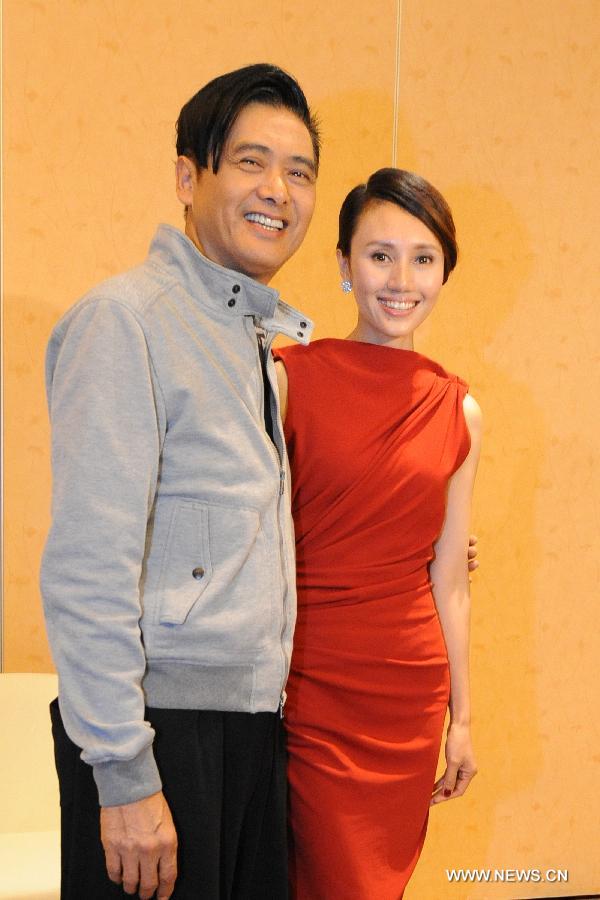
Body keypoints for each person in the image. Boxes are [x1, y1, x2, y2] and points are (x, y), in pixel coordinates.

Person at [40, 64, 320, 900]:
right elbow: (88, 567)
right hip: (161, 736)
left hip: (251, 729)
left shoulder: (255, 344)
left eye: (300, 172)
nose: (278, 189)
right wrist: (124, 773)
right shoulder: (126, 321)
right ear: (187, 175)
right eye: (250, 161)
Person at [274, 168, 482, 899]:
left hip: (407, 694)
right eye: (378, 254)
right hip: (307, 688)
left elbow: (449, 581)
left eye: (424, 257)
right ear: (342, 265)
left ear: (444, 272)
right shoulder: (287, 378)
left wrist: (462, 719)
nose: (402, 279)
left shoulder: (459, 411)